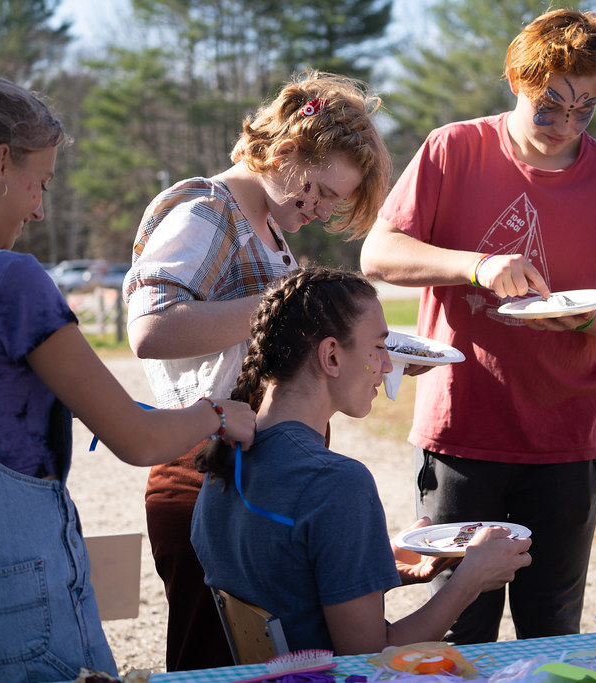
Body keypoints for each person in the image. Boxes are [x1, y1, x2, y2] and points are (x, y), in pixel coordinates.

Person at [0, 68, 255, 681]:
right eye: (40, 184)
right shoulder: (9, 282)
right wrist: (219, 413)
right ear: (0, 164)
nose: (38, 210)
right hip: (4, 590)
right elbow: (136, 438)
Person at [359, 9, 596, 644]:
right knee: (453, 625)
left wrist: (583, 320)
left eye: (585, 110)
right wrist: (477, 265)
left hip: (568, 437)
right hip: (464, 429)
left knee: (552, 631)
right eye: (549, 105)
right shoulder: (452, 148)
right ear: (516, 82)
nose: (565, 125)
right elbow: (379, 253)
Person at [123, 71, 391, 670]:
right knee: (214, 665)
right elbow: (150, 329)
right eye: (318, 189)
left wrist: (364, 355)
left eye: (333, 200)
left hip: (258, 470)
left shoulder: (268, 224)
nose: (320, 209)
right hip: (207, 472)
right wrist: (285, 306)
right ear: (285, 149)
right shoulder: (208, 212)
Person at [190, 266, 532, 654]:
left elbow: (284, 573)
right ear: (331, 356)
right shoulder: (335, 483)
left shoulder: (224, 457)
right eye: (380, 347)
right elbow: (369, 658)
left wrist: (377, 561)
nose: (388, 366)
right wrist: (470, 579)